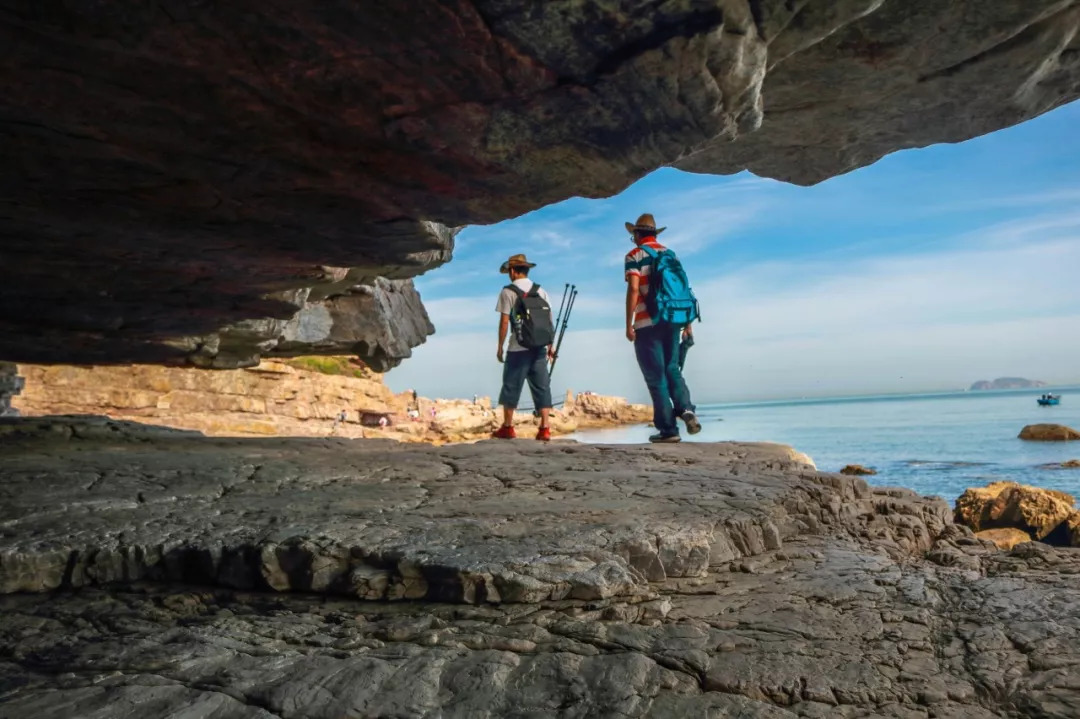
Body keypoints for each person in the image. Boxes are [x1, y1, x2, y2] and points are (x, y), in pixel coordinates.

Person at [624, 213, 701, 443]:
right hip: (674, 319)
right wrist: (687, 324)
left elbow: (634, 290)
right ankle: (686, 409)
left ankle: (668, 430)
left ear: (637, 234)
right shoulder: (670, 254)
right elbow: (683, 289)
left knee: (656, 377)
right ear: (655, 234)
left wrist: (628, 324)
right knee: (672, 369)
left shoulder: (634, 255)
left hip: (648, 323)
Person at [493, 253, 555, 441]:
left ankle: (508, 427)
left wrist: (500, 346)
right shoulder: (541, 291)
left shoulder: (508, 291)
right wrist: (550, 345)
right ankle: (544, 428)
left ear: (512, 271)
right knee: (542, 387)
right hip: (539, 347)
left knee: (511, 386)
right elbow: (549, 321)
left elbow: (505, 321)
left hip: (517, 348)